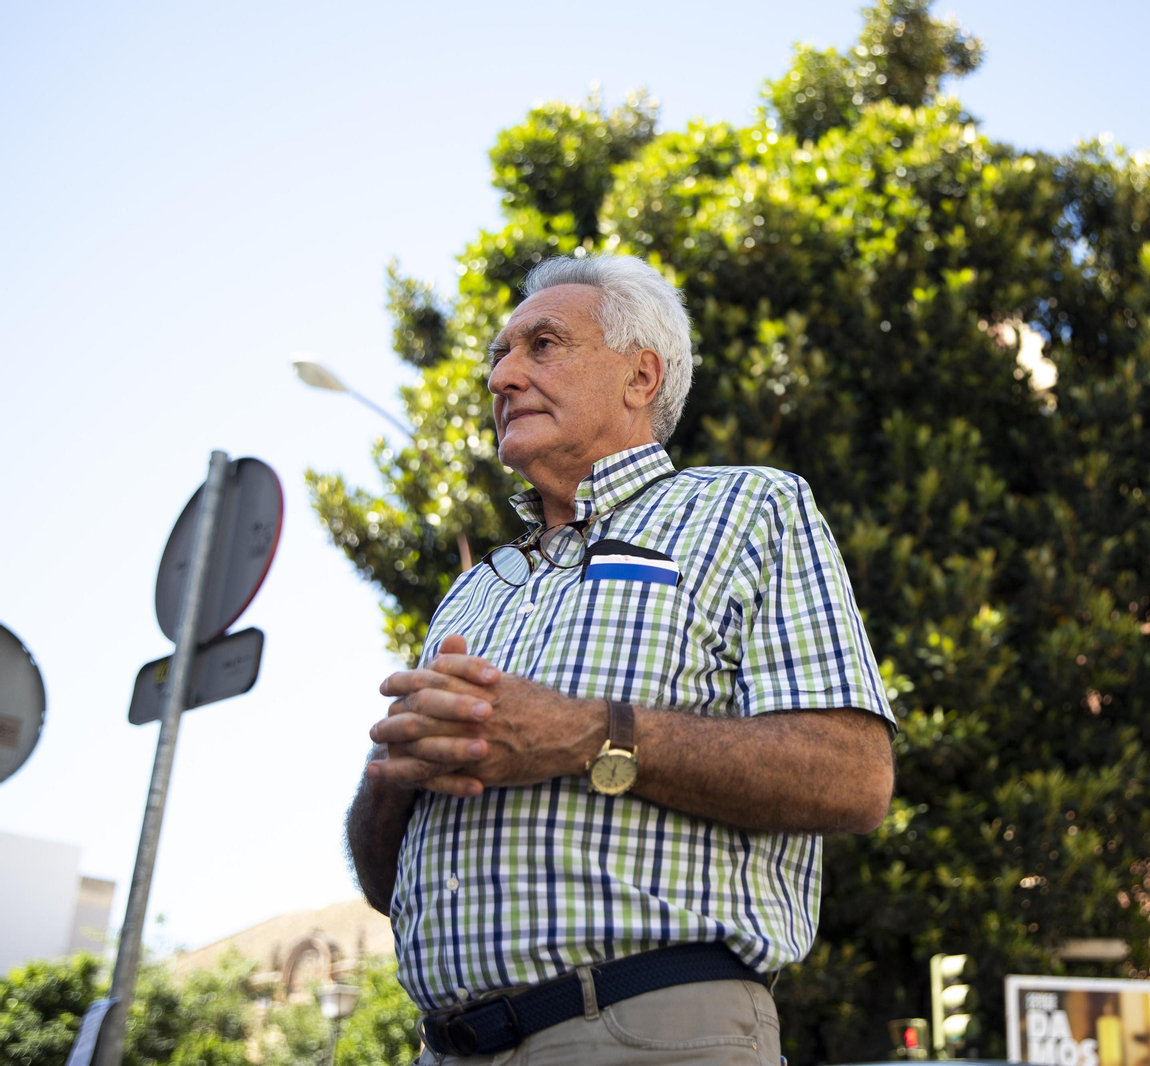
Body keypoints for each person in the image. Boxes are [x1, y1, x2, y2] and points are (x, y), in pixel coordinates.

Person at [345, 253, 897, 1066]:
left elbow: (855, 776)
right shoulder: (473, 595)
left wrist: (585, 734)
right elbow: (383, 885)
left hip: (650, 1031)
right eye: (500, 355)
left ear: (642, 376)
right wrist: (393, 771)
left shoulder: (748, 509)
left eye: (542, 345)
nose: (503, 376)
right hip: (443, 1048)